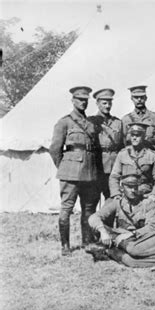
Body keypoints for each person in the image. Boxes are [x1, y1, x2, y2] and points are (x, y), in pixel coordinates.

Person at [87, 174, 155, 267]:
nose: (133, 190)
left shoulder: (147, 203)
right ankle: (114, 251)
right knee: (128, 258)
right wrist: (103, 231)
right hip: (122, 241)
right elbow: (93, 217)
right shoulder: (117, 203)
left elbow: (152, 227)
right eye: (129, 187)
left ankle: (113, 252)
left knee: (132, 256)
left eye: (135, 187)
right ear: (122, 188)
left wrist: (132, 234)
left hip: (141, 240)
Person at [49, 86, 100, 256]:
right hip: (70, 173)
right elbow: (55, 149)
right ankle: (65, 246)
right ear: (73, 100)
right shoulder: (64, 122)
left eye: (85, 100)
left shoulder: (91, 123)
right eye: (79, 99)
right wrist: (64, 167)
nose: (83, 102)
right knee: (67, 209)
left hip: (89, 173)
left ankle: (87, 242)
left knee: (88, 208)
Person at [109, 122, 155, 228]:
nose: (135, 138)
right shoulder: (122, 154)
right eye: (132, 135)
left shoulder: (152, 155)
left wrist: (154, 195)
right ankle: (109, 236)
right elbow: (114, 176)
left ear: (144, 136)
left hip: (145, 194)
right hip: (127, 195)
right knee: (108, 207)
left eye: (138, 135)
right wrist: (116, 194)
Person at [88, 88, 123, 200]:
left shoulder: (118, 122)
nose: (108, 106)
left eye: (110, 103)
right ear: (97, 104)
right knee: (93, 198)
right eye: (104, 103)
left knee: (112, 197)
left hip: (114, 165)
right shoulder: (90, 121)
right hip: (98, 165)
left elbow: (122, 144)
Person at [121, 85, 155, 152]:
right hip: (133, 158)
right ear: (131, 98)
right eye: (136, 97)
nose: (139, 99)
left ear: (146, 98)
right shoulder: (126, 120)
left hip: (152, 158)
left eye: (141, 97)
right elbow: (123, 143)